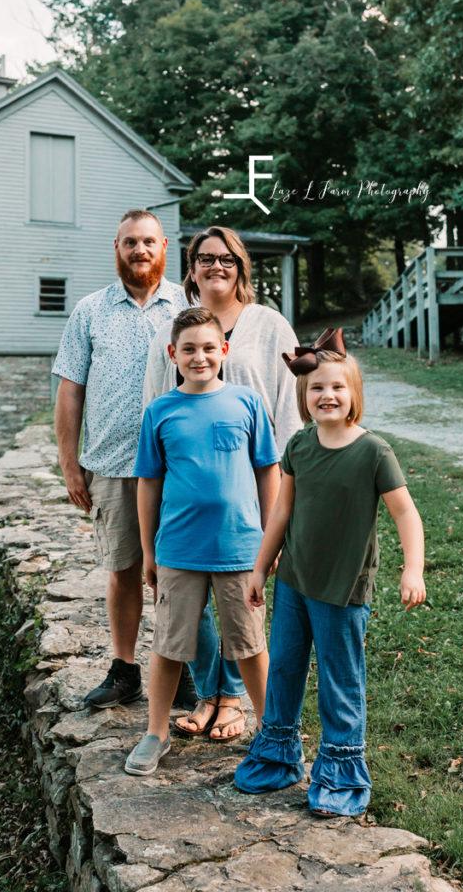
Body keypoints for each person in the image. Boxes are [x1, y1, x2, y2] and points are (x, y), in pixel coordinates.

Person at [235, 328, 426, 817]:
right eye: (317, 387)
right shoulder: (299, 446)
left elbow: (405, 513)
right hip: (295, 582)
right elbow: (281, 512)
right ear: (305, 395)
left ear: (354, 394)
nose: (327, 395)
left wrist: (413, 569)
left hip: (342, 591)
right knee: (284, 671)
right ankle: (278, 753)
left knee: (340, 681)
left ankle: (340, 770)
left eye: (338, 387)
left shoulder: (374, 452)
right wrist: (261, 568)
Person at [143, 225, 302, 741]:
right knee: (189, 609)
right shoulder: (174, 331)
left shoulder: (270, 325)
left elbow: (289, 407)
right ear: (190, 268)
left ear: (242, 266)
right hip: (188, 501)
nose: (216, 265)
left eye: (227, 258)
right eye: (205, 257)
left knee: (243, 613)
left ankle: (234, 700)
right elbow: (156, 409)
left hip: (253, 489)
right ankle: (210, 694)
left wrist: (277, 506)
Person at [124, 307, 281, 775]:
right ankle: (155, 733)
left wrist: (269, 541)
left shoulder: (246, 403)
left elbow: (266, 471)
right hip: (178, 549)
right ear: (173, 354)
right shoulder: (161, 411)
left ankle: (273, 731)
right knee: (170, 644)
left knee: (250, 644)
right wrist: (149, 550)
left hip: (239, 548)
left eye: (209, 347)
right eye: (188, 349)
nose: (199, 356)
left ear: (224, 351)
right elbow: (148, 483)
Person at [53, 209, 190, 710]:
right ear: (116, 247)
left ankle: (184, 669)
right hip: (110, 464)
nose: (140, 250)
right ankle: (125, 669)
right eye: (130, 242)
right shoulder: (89, 312)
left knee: (180, 572)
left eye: (149, 242)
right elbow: (70, 392)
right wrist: (71, 465)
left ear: (164, 248)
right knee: (122, 569)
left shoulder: (186, 305)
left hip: (179, 465)